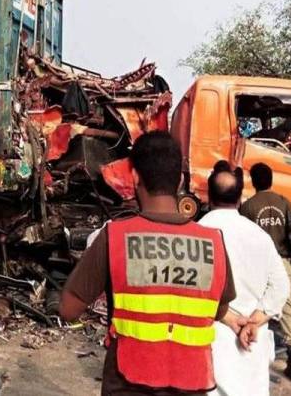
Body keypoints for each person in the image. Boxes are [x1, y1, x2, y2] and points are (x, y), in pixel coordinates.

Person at [60, 131, 237, 396]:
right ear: (179, 181)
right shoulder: (213, 242)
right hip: (192, 383)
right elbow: (217, 310)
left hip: (126, 384)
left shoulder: (115, 237)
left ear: (134, 177)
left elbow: (68, 309)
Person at [199, 161, 289, 396]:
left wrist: (229, 319)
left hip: (210, 347)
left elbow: (191, 289)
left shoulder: (198, 235)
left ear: (209, 197)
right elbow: (281, 286)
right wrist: (254, 320)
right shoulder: (259, 236)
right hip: (251, 348)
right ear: (240, 199)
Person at [240, 162, 291, 383]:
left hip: (258, 264)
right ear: (271, 180)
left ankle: (251, 358)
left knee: (256, 308)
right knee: (288, 311)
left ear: (254, 182)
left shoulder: (248, 207)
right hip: (283, 262)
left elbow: (244, 241)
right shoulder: (284, 202)